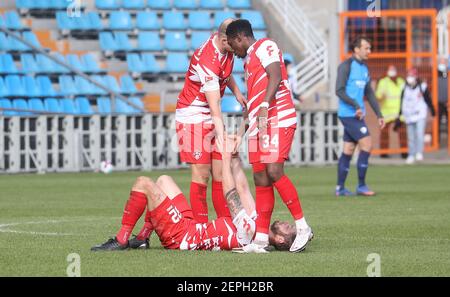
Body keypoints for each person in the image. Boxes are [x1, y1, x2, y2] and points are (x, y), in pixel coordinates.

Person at [91, 136, 311, 252]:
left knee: (144, 183)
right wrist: (235, 157)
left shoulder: (250, 234)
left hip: (182, 236)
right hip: (190, 227)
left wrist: (224, 157)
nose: (285, 222)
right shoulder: (257, 225)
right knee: (164, 180)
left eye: (288, 228)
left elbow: (231, 192)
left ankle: (121, 240)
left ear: (280, 239)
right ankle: (142, 238)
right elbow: (243, 187)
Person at [226, 19, 312, 253]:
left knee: (274, 171)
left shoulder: (266, 46)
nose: (234, 51)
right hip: (258, 125)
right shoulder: (248, 63)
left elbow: (276, 75)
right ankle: (261, 239)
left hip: (277, 117)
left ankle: (302, 227)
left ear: (240, 38)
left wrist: (265, 104)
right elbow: (251, 102)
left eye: (233, 45)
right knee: (261, 179)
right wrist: (239, 134)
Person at [175, 18, 247, 225]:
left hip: (208, 113)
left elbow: (225, 73)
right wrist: (223, 135)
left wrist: (237, 93)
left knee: (220, 174)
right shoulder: (206, 59)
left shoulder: (226, 49)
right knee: (201, 175)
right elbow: (214, 103)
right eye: (234, 43)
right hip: (193, 117)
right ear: (225, 40)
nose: (237, 47)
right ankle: (200, 229)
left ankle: (224, 224)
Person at [335, 36, 385, 197]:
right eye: (366, 48)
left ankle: (340, 188)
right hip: (348, 114)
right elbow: (339, 90)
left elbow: (369, 93)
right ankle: (361, 186)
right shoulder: (346, 66)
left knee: (348, 149)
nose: (369, 51)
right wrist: (356, 105)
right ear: (356, 49)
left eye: (370, 48)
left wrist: (379, 114)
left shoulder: (364, 68)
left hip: (357, 115)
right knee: (367, 144)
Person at [398, 68, 436, 164]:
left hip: (420, 114)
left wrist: (432, 111)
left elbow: (428, 99)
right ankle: (411, 154)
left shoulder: (422, 87)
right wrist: (400, 113)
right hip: (409, 115)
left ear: (416, 77)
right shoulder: (404, 87)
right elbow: (402, 101)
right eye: (408, 76)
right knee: (411, 136)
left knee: (419, 134)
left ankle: (419, 153)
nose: (410, 78)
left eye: (411, 76)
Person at [375, 65, 407, 158]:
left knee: (402, 133)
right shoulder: (383, 82)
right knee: (384, 133)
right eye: (390, 69)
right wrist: (381, 96)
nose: (392, 71)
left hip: (399, 113)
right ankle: (384, 153)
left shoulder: (401, 81)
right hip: (387, 112)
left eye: (394, 69)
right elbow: (378, 95)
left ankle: (404, 152)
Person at [437, 57, 448, 145]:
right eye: (441, 62)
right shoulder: (435, 74)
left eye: (444, 62)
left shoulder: (448, 73)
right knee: (437, 123)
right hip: (439, 102)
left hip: (448, 102)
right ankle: (437, 142)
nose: (442, 64)